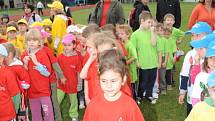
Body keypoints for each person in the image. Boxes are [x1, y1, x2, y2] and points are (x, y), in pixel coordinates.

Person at [83, 49, 145, 121]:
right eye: (104, 81)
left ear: (123, 79)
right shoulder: (94, 105)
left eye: (113, 81)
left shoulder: (130, 105)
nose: (108, 85)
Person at [178, 22, 212, 115]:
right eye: (192, 35)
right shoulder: (190, 54)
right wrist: (182, 91)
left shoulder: (211, 56)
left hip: (209, 99)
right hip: (192, 96)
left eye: (198, 35)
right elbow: (184, 74)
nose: (194, 38)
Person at [21, 29, 54, 121]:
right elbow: (23, 75)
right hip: (32, 91)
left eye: (34, 40)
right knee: (36, 116)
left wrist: (36, 63)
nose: (31, 42)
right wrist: (25, 64)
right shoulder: (24, 54)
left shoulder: (42, 54)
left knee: (48, 115)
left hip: (43, 91)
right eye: (29, 40)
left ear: (39, 42)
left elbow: (47, 73)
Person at [130, 11, 157, 104]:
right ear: (142, 21)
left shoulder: (152, 32)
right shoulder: (135, 35)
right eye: (149, 22)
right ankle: (139, 95)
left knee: (151, 80)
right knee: (143, 82)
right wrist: (136, 61)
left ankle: (149, 94)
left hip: (153, 62)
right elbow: (133, 50)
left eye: (151, 22)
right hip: (143, 63)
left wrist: (153, 32)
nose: (151, 24)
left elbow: (154, 43)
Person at [57, 34, 82, 121]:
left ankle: (74, 115)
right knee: (57, 99)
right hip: (61, 84)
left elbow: (79, 71)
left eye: (69, 45)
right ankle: (55, 114)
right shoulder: (60, 56)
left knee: (73, 101)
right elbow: (57, 70)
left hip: (73, 83)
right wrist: (57, 80)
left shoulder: (77, 57)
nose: (66, 47)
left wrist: (79, 83)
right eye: (65, 45)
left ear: (74, 45)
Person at [4, 43, 30, 121]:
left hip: (20, 100)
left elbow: (27, 84)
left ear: (10, 54)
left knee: (21, 117)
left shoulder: (18, 67)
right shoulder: (4, 66)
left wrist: (15, 82)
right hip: (8, 99)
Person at [190, 33, 215, 106]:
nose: (213, 62)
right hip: (203, 112)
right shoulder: (202, 74)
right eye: (210, 57)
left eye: (201, 48)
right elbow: (196, 95)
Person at [116, 24, 138, 101]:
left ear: (128, 35)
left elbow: (134, 57)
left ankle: (135, 101)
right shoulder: (122, 44)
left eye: (122, 34)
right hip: (125, 71)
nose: (120, 35)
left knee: (132, 88)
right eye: (119, 33)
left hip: (131, 72)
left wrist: (125, 63)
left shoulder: (130, 45)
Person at [0, 44, 20, 121]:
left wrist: (15, 110)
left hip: (7, 115)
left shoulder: (8, 73)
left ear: (3, 58)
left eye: (0, 56)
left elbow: (15, 95)